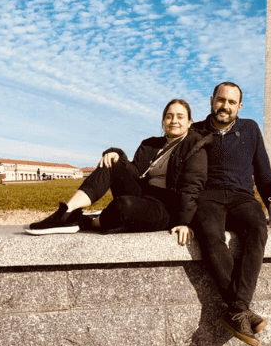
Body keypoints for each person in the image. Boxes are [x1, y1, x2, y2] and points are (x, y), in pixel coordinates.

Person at [25, 99, 211, 243]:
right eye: (169, 116)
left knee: (124, 206)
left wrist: (184, 222)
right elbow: (135, 171)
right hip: (142, 193)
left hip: (165, 207)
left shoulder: (193, 145)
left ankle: (88, 221)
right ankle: (66, 212)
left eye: (180, 116)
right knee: (111, 162)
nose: (174, 121)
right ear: (163, 121)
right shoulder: (150, 144)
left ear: (189, 122)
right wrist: (115, 154)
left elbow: (192, 187)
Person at [190, 82, 271, 346]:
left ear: (239, 107)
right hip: (209, 196)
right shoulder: (195, 132)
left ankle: (236, 309)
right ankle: (241, 311)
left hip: (242, 197)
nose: (225, 106)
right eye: (221, 100)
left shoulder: (250, 128)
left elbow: (262, 168)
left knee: (257, 229)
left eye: (231, 102)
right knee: (210, 234)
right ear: (211, 100)